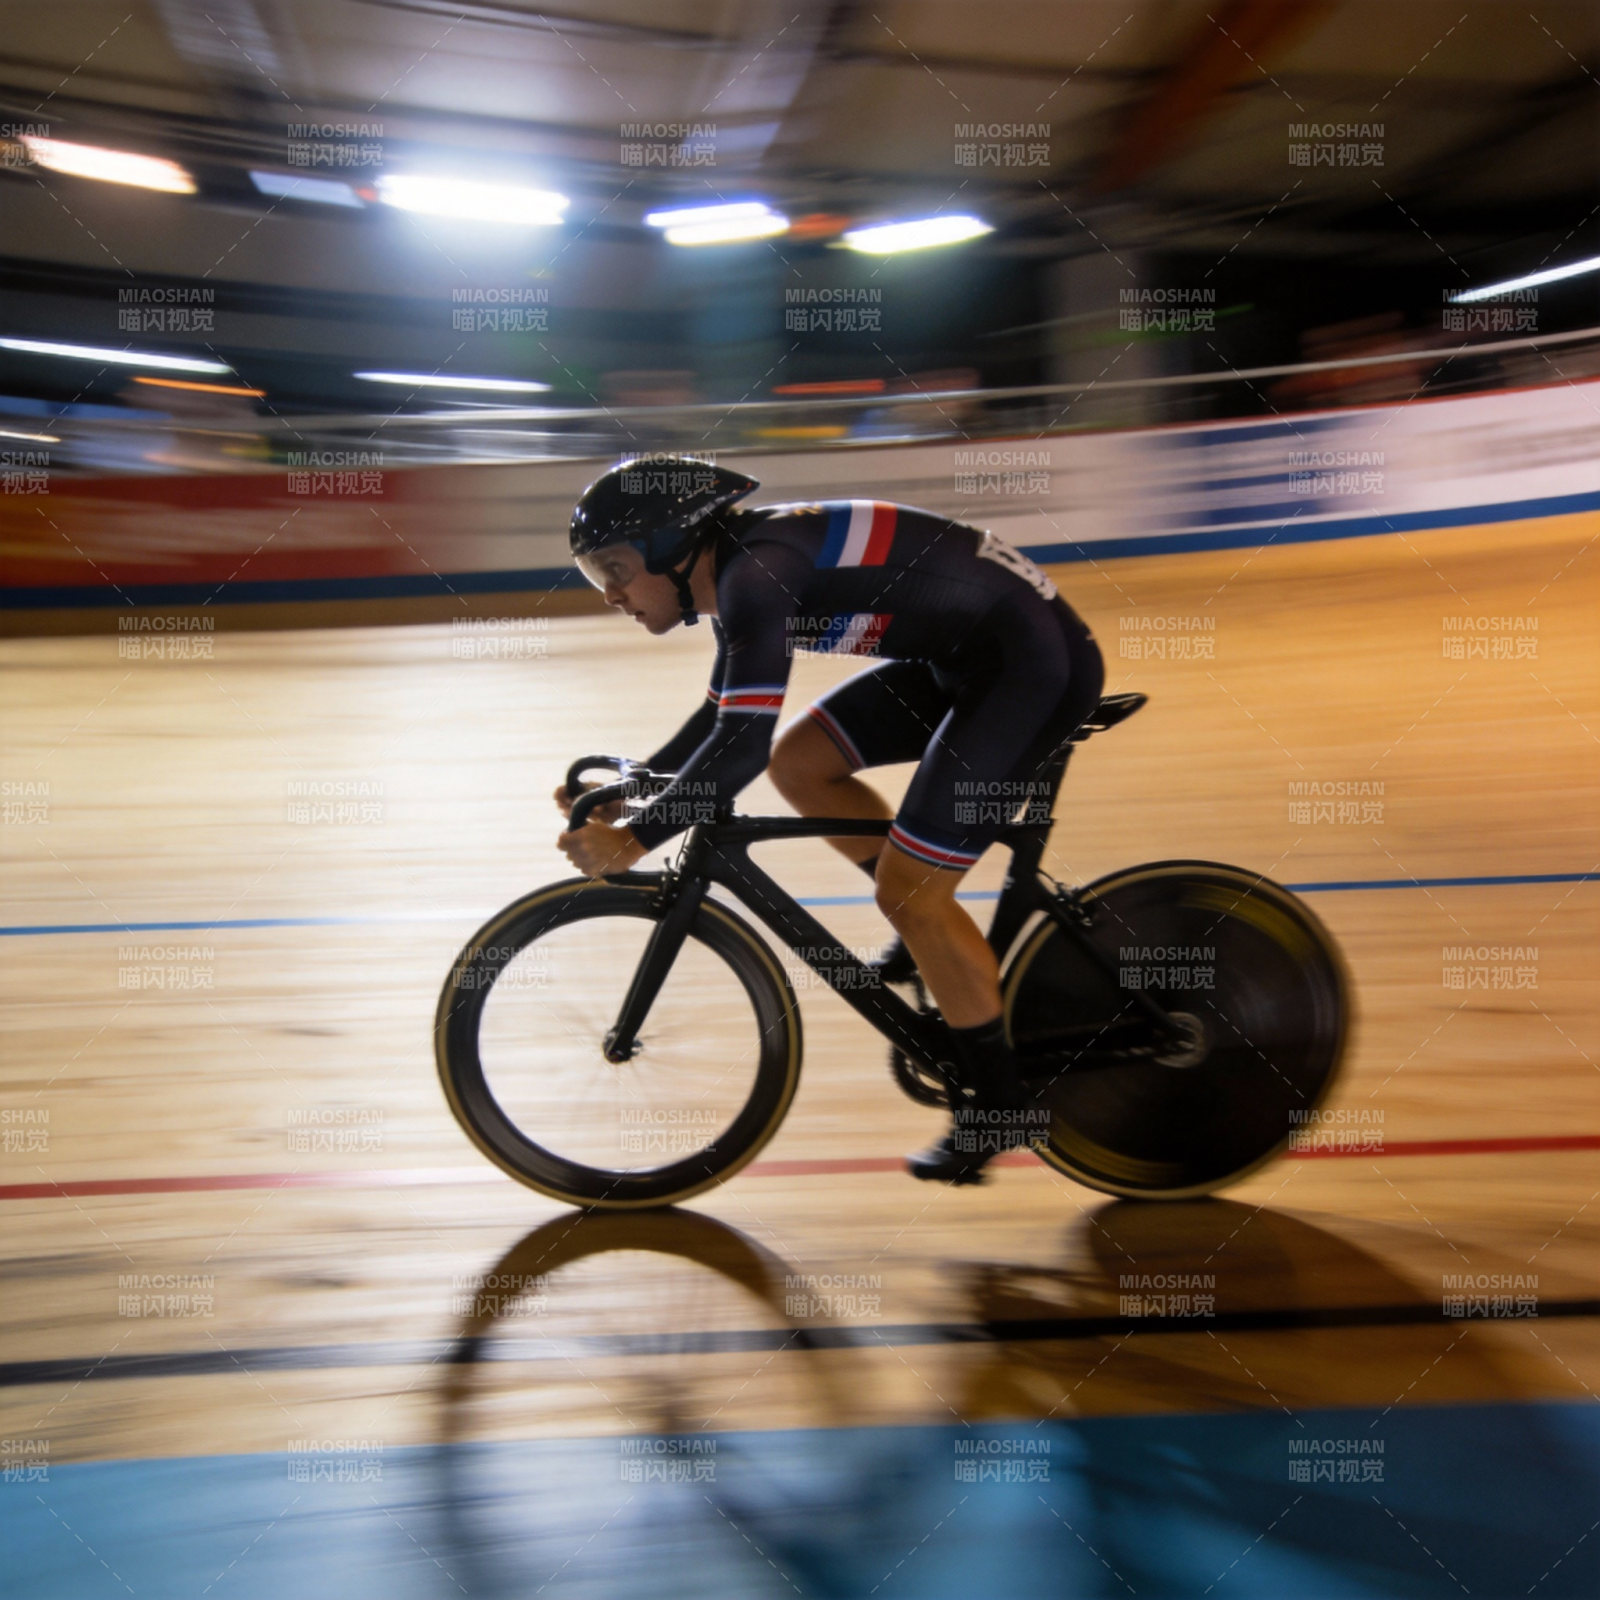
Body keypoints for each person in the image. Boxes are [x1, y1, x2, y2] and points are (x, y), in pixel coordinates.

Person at [556, 457, 1104, 1183]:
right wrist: (640, 786)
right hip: (966, 660)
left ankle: (1000, 1107)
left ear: (672, 544)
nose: (611, 593)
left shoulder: (758, 574)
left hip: (1029, 668)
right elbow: (725, 718)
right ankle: (926, 938)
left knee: (914, 892)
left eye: (617, 568)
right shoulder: (738, 571)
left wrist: (635, 840)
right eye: (598, 575)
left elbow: (738, 746)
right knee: (801, 763)